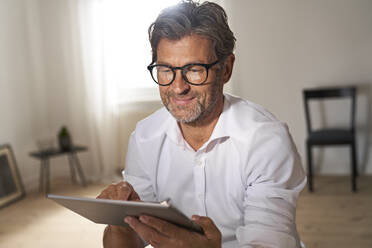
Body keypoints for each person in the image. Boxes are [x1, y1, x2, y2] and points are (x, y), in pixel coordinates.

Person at [97, 1, 306, 247]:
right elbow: (130, 242)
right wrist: (119, 218)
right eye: (165, 70)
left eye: (194, 70)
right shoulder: (145, 137)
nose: (178, 87)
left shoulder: (266, 140)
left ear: (226, 69)